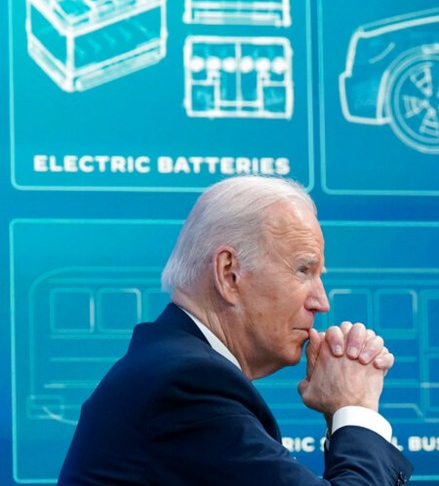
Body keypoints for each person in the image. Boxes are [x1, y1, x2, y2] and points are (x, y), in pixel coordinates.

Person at [58, 175, 413, 485]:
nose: (322, 302)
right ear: (229, 274)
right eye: (303, 270)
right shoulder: (186, 386)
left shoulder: (171, 368)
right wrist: (355, 408)